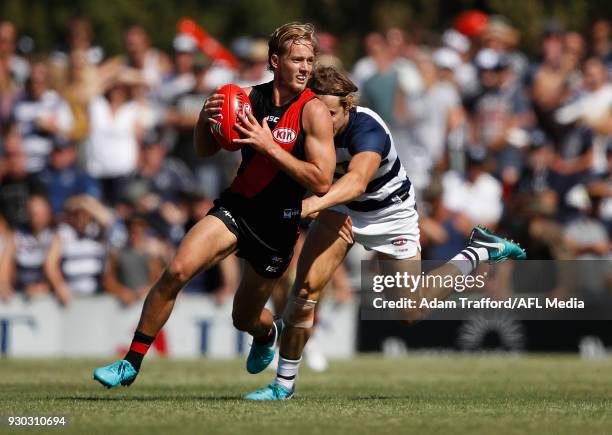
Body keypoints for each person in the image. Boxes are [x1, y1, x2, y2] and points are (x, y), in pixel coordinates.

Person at [245, 66, 526, 400]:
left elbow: (356, 182)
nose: (324, 121)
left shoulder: (368, 128)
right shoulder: (309, 121)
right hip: (339, 210)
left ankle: (477, 251)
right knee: (304, 291)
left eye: (331, 114)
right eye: (317, 112)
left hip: (390, 214)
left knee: (410, 312)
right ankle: (283, 386)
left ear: (348, 108)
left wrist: (307, 207)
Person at [92, 22, 336, 389]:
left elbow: (321, 180)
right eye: (297, 59)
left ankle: (266, 336)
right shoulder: (247, 99)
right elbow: (207, 150)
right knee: (176, 270)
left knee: (245, 319)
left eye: (309, 60)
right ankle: (130, 362)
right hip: (237, 209)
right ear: (275, 61)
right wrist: (206, 121)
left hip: (279, 225)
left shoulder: (312, 111)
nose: (305, 67)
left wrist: (269, 146)